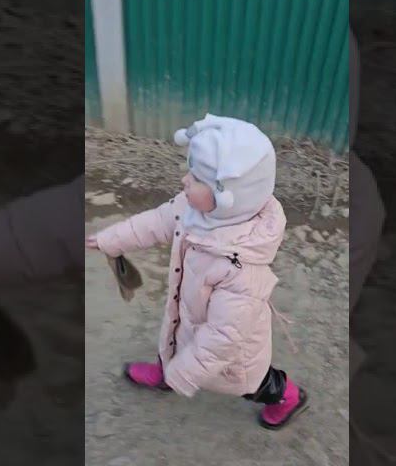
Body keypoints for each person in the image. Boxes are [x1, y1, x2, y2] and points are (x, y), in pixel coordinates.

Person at [86, 114, 308, 430]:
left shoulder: (242, 272)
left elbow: (222, 339)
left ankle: (288, 396)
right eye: (189, 171)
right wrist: (111, 239)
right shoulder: (193, 211)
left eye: (197, 178)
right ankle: (165, 370)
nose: (184, 181)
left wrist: (183, 374)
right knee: (174, 338)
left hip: (234, 352)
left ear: (229, 197)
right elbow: (157, 221)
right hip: (190, 315)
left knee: (250, 382)